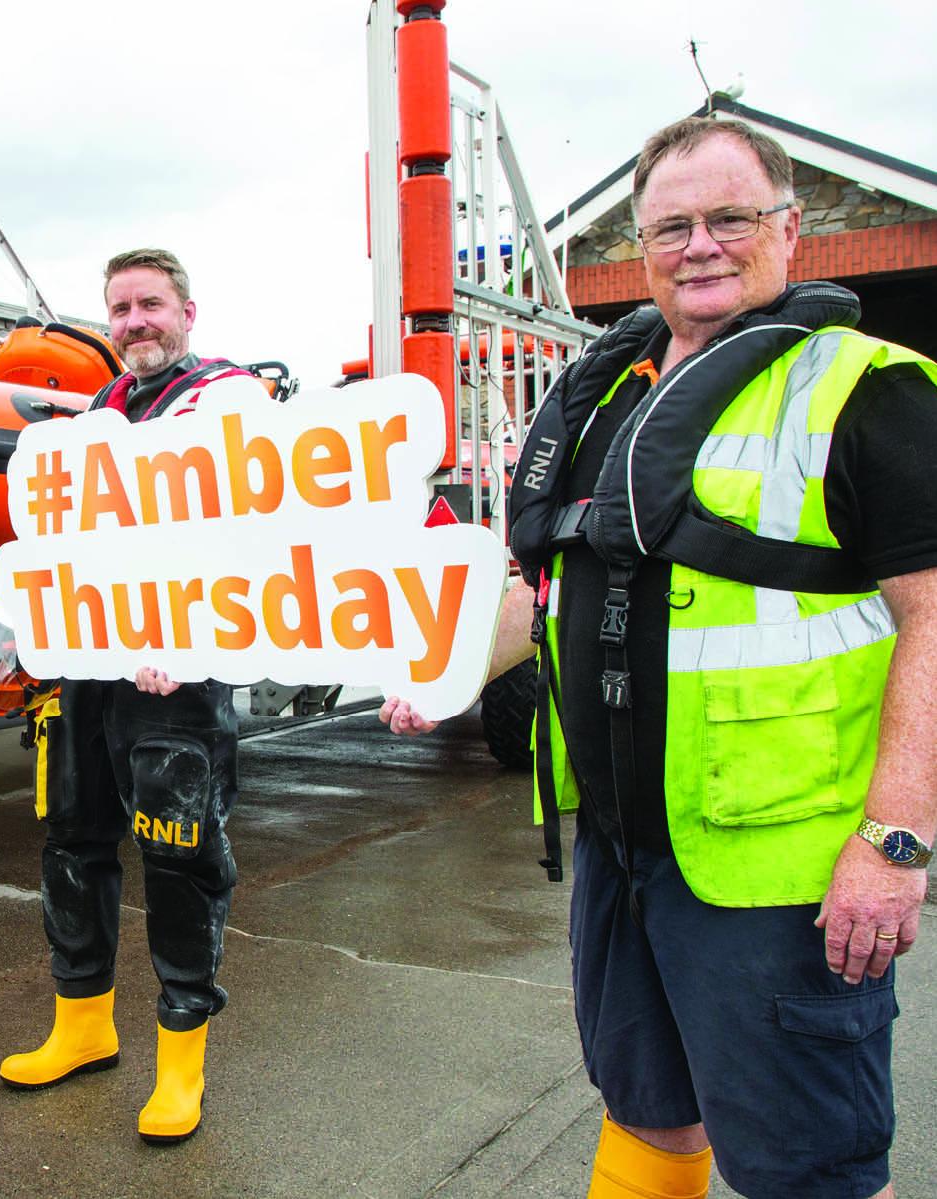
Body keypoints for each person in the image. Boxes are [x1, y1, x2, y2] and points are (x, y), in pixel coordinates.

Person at [381, 118, 937, 1199]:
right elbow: (542, 591)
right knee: (644, 1103)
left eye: (731, 218)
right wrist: (441, 677)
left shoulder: (867, 391)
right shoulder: (611, 397)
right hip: (626, 850)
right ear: (641, 248)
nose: (702, 245)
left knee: (802, 1160)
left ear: (791, 227)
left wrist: (896, 840)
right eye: (672, 226)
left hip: (780, 877)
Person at [0, 249, 260, 1144]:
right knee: (71, 837)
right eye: (120, 307)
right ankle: (83, 1025)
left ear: (188, 311)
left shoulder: (231, 401)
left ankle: (180, 1060)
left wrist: (186, 633)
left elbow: (258, 534)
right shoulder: (99, 413)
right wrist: (5, 616)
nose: (134, 320)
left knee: (180, 857)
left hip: (177, 676)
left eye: (150, 303)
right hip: (91, 665)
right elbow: (58, 538)